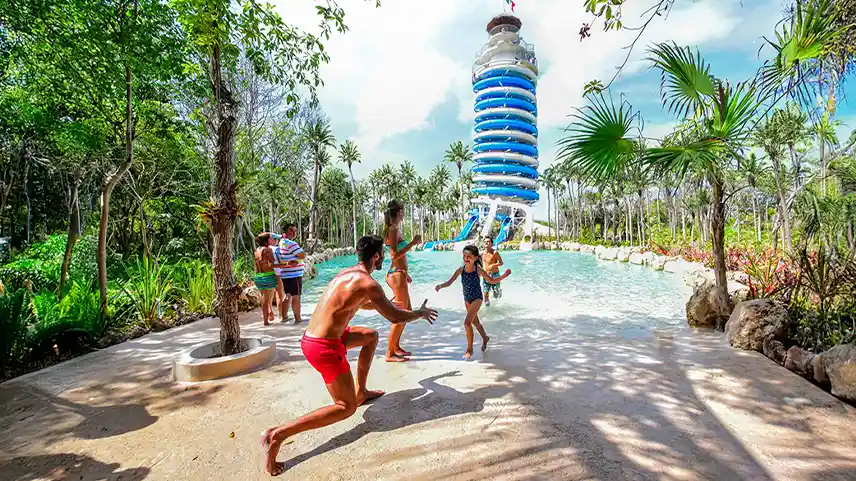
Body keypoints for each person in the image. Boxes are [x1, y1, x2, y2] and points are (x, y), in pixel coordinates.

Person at [261, 235, 438, 476]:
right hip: (324, 348)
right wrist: (418, 312)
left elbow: (354, 303)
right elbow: (395, 318)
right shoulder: (368, 284)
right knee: (345, 408)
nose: (384, 258)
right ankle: (277, 434)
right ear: (376, 257)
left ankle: (361, 391)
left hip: (316, 338)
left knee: (371, 336)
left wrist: (385, 303)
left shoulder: (348, 273)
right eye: (382, 254)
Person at [435, 245, 511, 359]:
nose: (466, 258)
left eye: (469, 256)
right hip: (467, 299)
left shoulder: (478, 270)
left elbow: (492, 280)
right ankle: (485, 338)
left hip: (477, 298)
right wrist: (440, 286)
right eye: (464, 256)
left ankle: (469, 349)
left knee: (467, 323)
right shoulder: (461, 270)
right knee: (475, 323)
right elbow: (450, 282)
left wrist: (504, 275)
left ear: (475, 258)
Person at [383, 199, 421, 362]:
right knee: (400, 314)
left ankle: (396, 346)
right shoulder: (392, 230)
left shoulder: (394, 229)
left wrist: (406, 273)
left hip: (400, 274)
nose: (404, 214)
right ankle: (389, 354)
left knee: (407, 312)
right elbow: (393, 255)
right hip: (396, 274)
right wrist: (412, 243)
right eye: (403, 211)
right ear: (399, 212)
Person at [254, 233, 295, 326]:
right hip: (268, 276)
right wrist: (287, 264)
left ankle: (267, 319)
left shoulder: (256, 250)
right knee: (268, 299)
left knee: (265, 299)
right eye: (270, 238)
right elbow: (271, 265)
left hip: (258, 276)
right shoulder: (268, 250)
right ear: (266, 241)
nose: (272, 240)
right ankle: (267, 321)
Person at [276, 224, 306, 324]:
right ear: (285, 231)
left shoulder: (281, 242)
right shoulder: (290, 243)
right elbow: (302, 255)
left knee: (288, 295)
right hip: (294, 275)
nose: (294, 232)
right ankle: (298, 318)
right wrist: (299, 255)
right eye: (291, 230)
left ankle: (284, 317)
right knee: (296, 296)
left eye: (295, 230)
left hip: (286, 274)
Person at [481, 236, 504, 307]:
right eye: (485, 242)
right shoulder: (482, 254)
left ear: (491, 244)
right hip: (486, 275)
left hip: (495, 275)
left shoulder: (495, 252)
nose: (486, 243)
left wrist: (493, 265)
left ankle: (498, 292)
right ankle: (488, 310)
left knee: (496, 295)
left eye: (488, 241)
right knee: (485, 294)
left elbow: (501, 263)